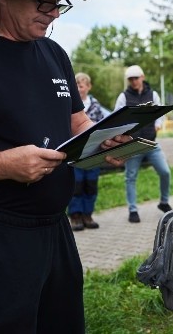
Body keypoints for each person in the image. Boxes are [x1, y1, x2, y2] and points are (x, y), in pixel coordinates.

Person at [0, 0, 130, 333]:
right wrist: (4, 165)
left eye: (58, 2)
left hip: (55, 233)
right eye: (41, 0)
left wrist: (103, 139)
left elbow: (75, 121)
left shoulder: (54, 53)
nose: (53, 13)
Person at [114, 65, 172, 223]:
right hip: (132, 144)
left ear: (142, 77)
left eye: (136, 78)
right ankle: (133, 209)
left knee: (165, 172)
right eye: (130, 79)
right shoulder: (123, 97)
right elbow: (116, 117)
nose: (133, 81)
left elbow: (160, 112)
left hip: (151, 142)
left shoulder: (153, 94)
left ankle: (164, 202)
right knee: (130, 177)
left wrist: (158, 124)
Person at [68, 72, 106, 231]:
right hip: (76, 153)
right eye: (76, 85)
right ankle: (75, 216)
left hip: (93, 153)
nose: (79, 88)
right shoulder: (69, 104)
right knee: (76, 185)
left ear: (89, 87)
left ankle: (87, 215)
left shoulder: (96, 106)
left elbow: (103, 124)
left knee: (90, 184)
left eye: (82, 85)